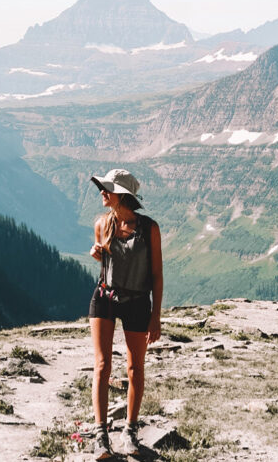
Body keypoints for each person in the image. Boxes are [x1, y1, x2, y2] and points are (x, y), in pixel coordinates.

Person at [87, 168, 163, 459]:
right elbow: (106, 263)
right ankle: (100, 435)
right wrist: (98, 254)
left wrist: (155, 316)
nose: (102, 193)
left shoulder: (149, 228)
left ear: (123, 196)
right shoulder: (102, 224)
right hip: (105, 296)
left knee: (135, 368)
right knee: (102, 365)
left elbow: (157, 275)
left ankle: (130, 430)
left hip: (137, 301)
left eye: (108, 189)